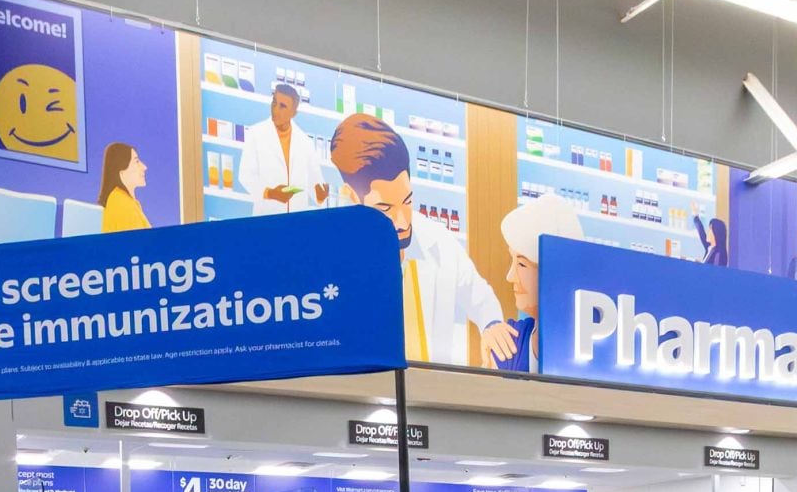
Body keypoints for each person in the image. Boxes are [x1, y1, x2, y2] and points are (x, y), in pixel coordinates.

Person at [332, 114, 504, 366]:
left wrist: (492, 325)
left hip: (433, 393)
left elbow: (480, 296)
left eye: (407, 201)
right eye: (384, 208)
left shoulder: (438, 241)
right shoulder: (335, 255)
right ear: (351, 196)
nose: (402, 222)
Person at [491, 193, 582, 373]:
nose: (510, 276)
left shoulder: (592, 346)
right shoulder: (511, 341)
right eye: (513, 261)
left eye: (522, 264)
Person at [237, 83, 329, 215]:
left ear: (294, 113)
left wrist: (320, 195)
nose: (275, 110)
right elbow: (245, 175)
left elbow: (314, 183)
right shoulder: (255, 134)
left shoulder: (305, 142)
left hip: (296, 225)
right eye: (274, 103)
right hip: (267, 219)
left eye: (283, 106)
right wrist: (269, 193)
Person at [97, 142, 152, 232]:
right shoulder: (122, 204)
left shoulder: (124, 201)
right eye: (136, 161)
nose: (144, 167)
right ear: (121, 170)